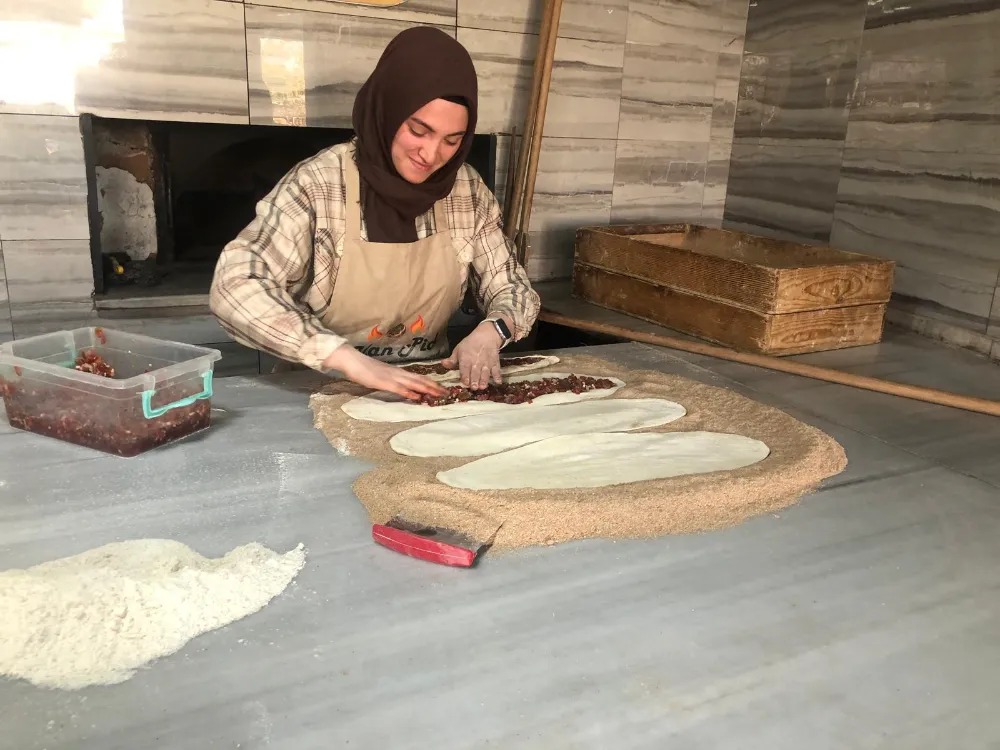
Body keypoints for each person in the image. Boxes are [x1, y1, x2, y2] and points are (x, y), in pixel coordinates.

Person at [209, 26, 540, 401]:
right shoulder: (319, 183)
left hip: (428, 388)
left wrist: (493, 331)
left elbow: (512, 287)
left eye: (452, 140)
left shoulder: (466, 190)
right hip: (319, 389)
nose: (431, 155)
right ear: (387, 112)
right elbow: (234, 285)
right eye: (419, 130)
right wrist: (344, 358)